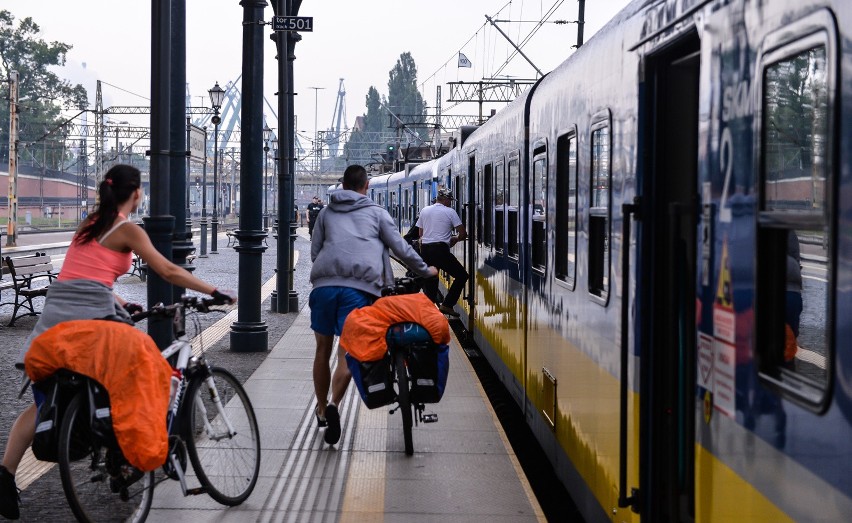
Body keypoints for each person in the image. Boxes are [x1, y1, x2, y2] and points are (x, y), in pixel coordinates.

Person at [0, 164, 235, 520]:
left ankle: (4, 477)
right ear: (136, 193)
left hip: (54, 321)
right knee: (145, 373)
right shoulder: (127, 228)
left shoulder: (89, 224)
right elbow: (167, 269)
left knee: (44, 402)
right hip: (90, 325)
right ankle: (131, 454)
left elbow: (83, 277)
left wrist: (122, 302)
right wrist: (215, 291)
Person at [309, 164, 437, 445]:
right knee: (346, 353)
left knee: (321, 350)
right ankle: (333, 405)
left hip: (323, 288)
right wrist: (426, 270)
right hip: (359, 290)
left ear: (342, 186)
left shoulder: (326, 214)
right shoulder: (377, 214)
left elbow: (314, 251)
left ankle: (320, 411)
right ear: (366, 186)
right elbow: (401, 249)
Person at [416, 187, 468, 317]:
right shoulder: (450, 212)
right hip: (440, 250)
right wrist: (455, 239)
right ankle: (447, 305)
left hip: (426, 250)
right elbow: (463, 233)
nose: (450, 202)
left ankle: (428, 313)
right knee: (462, 276)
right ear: (445, 199)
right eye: (450, 200)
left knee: (431, 281)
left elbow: (421, 234)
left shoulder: (424, 210)